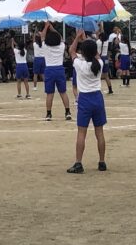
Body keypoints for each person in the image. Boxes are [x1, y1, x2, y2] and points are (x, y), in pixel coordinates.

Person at [66, 31, 107, 173]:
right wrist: (86, 40)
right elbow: (96, 54)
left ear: (83, 52)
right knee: (99, 132)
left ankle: (78, 163)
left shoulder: (80, 64)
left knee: (81, 132)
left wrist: (78, 37)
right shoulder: (99, 63)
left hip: (84, 99)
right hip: (97, 97)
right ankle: (102, 162)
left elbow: (71, 51)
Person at [40, 22, 71, 121]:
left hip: (49, 70)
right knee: (63, 92)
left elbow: (42, 36)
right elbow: (60, 37)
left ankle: (48, 114)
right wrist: (52, 28)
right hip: (59, 69)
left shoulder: (46, 46)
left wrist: (46, 27)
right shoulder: (61, 46)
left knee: (50, 93)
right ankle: (67, 112)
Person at [98, 26, 114, 95]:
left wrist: (100, 27)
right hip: (105, 58)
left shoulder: (98, 42)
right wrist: (101, 26)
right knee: (106, 75)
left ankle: (97, 89)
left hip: (99, 58)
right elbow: (102, 33)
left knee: (98, 75)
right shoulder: (106, 42)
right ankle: (110, 90)